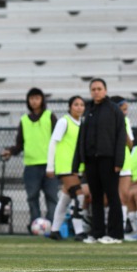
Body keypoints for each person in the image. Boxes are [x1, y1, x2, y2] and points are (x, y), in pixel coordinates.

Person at [73, 78, 126, 244]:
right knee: (95, 197)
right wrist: (76, 163)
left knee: (112, 196)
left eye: (99, 88)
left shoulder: (114, 109)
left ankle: (115, 234)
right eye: (93, 89)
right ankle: (97, 234)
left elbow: (121, 136)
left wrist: (119, 161)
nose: (96, 92)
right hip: (91, 160)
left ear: (105, 90)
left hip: (108, 159)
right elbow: (81, 137)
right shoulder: (88, 109)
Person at [1, 87, 59, 232]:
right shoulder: (24, 120)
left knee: (52, 197)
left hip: (50, 165)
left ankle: (51, 225)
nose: (34, 101)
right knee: (32, 197)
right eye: (31, 98)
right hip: (31, 166)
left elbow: (59, 139)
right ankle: (35, 225)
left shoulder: (50, 116)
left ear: (42, 100)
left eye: (37, 98)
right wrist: (10, 151)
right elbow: (20, 144)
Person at [45, 95, 90, 241]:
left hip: (77, 167)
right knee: (79, 195)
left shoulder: (83, 123)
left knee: (65, 198)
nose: (79, 107)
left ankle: (54, 230)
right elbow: (53, 142)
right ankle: (79, 232)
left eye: (82, 105)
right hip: (65, 166)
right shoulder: (64, 121)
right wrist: (50, 166)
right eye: (76, 104)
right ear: (70, 107)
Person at [110, 96, 134, 233]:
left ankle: (122, 228)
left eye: (126, 110)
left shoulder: (126, 121)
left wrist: (122, 128)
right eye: (123, 109)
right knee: (108, 197)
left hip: (124, 162)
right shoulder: (105, 121)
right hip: (109, 161)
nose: (125, 112)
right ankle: (108, 226)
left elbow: (130, 144)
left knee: (123, 196)